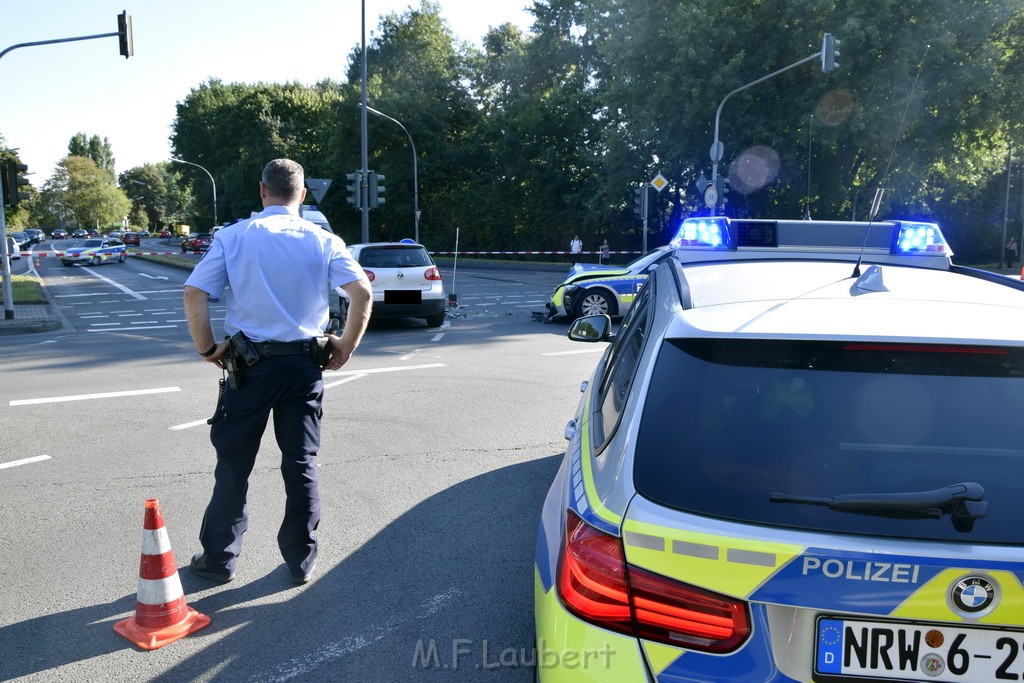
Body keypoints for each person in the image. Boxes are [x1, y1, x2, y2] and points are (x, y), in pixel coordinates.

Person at [183, 158, 373, 586]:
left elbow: (195, 293)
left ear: (262, 191)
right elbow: (361, 292)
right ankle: (300, 562)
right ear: (302, 196)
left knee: (234, 466)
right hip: (304, 367)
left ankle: (219, 560)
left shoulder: (234, 237)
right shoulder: (323, 240)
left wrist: (208, 348)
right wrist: (345, 345)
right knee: (300, 463)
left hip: (248, 368)